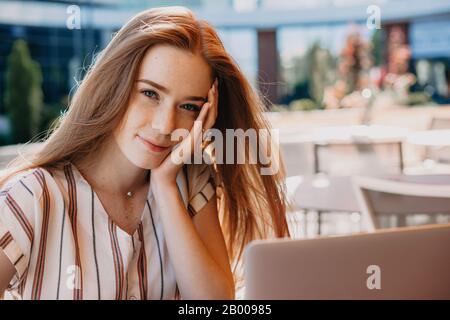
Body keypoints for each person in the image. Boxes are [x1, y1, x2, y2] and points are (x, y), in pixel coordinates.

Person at [0, 6, 289, 300]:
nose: (165, 125)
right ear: (113, 86)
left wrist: (165, 187)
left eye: (189, 107)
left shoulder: (190, 182)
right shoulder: (31, 197)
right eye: (150, 94)